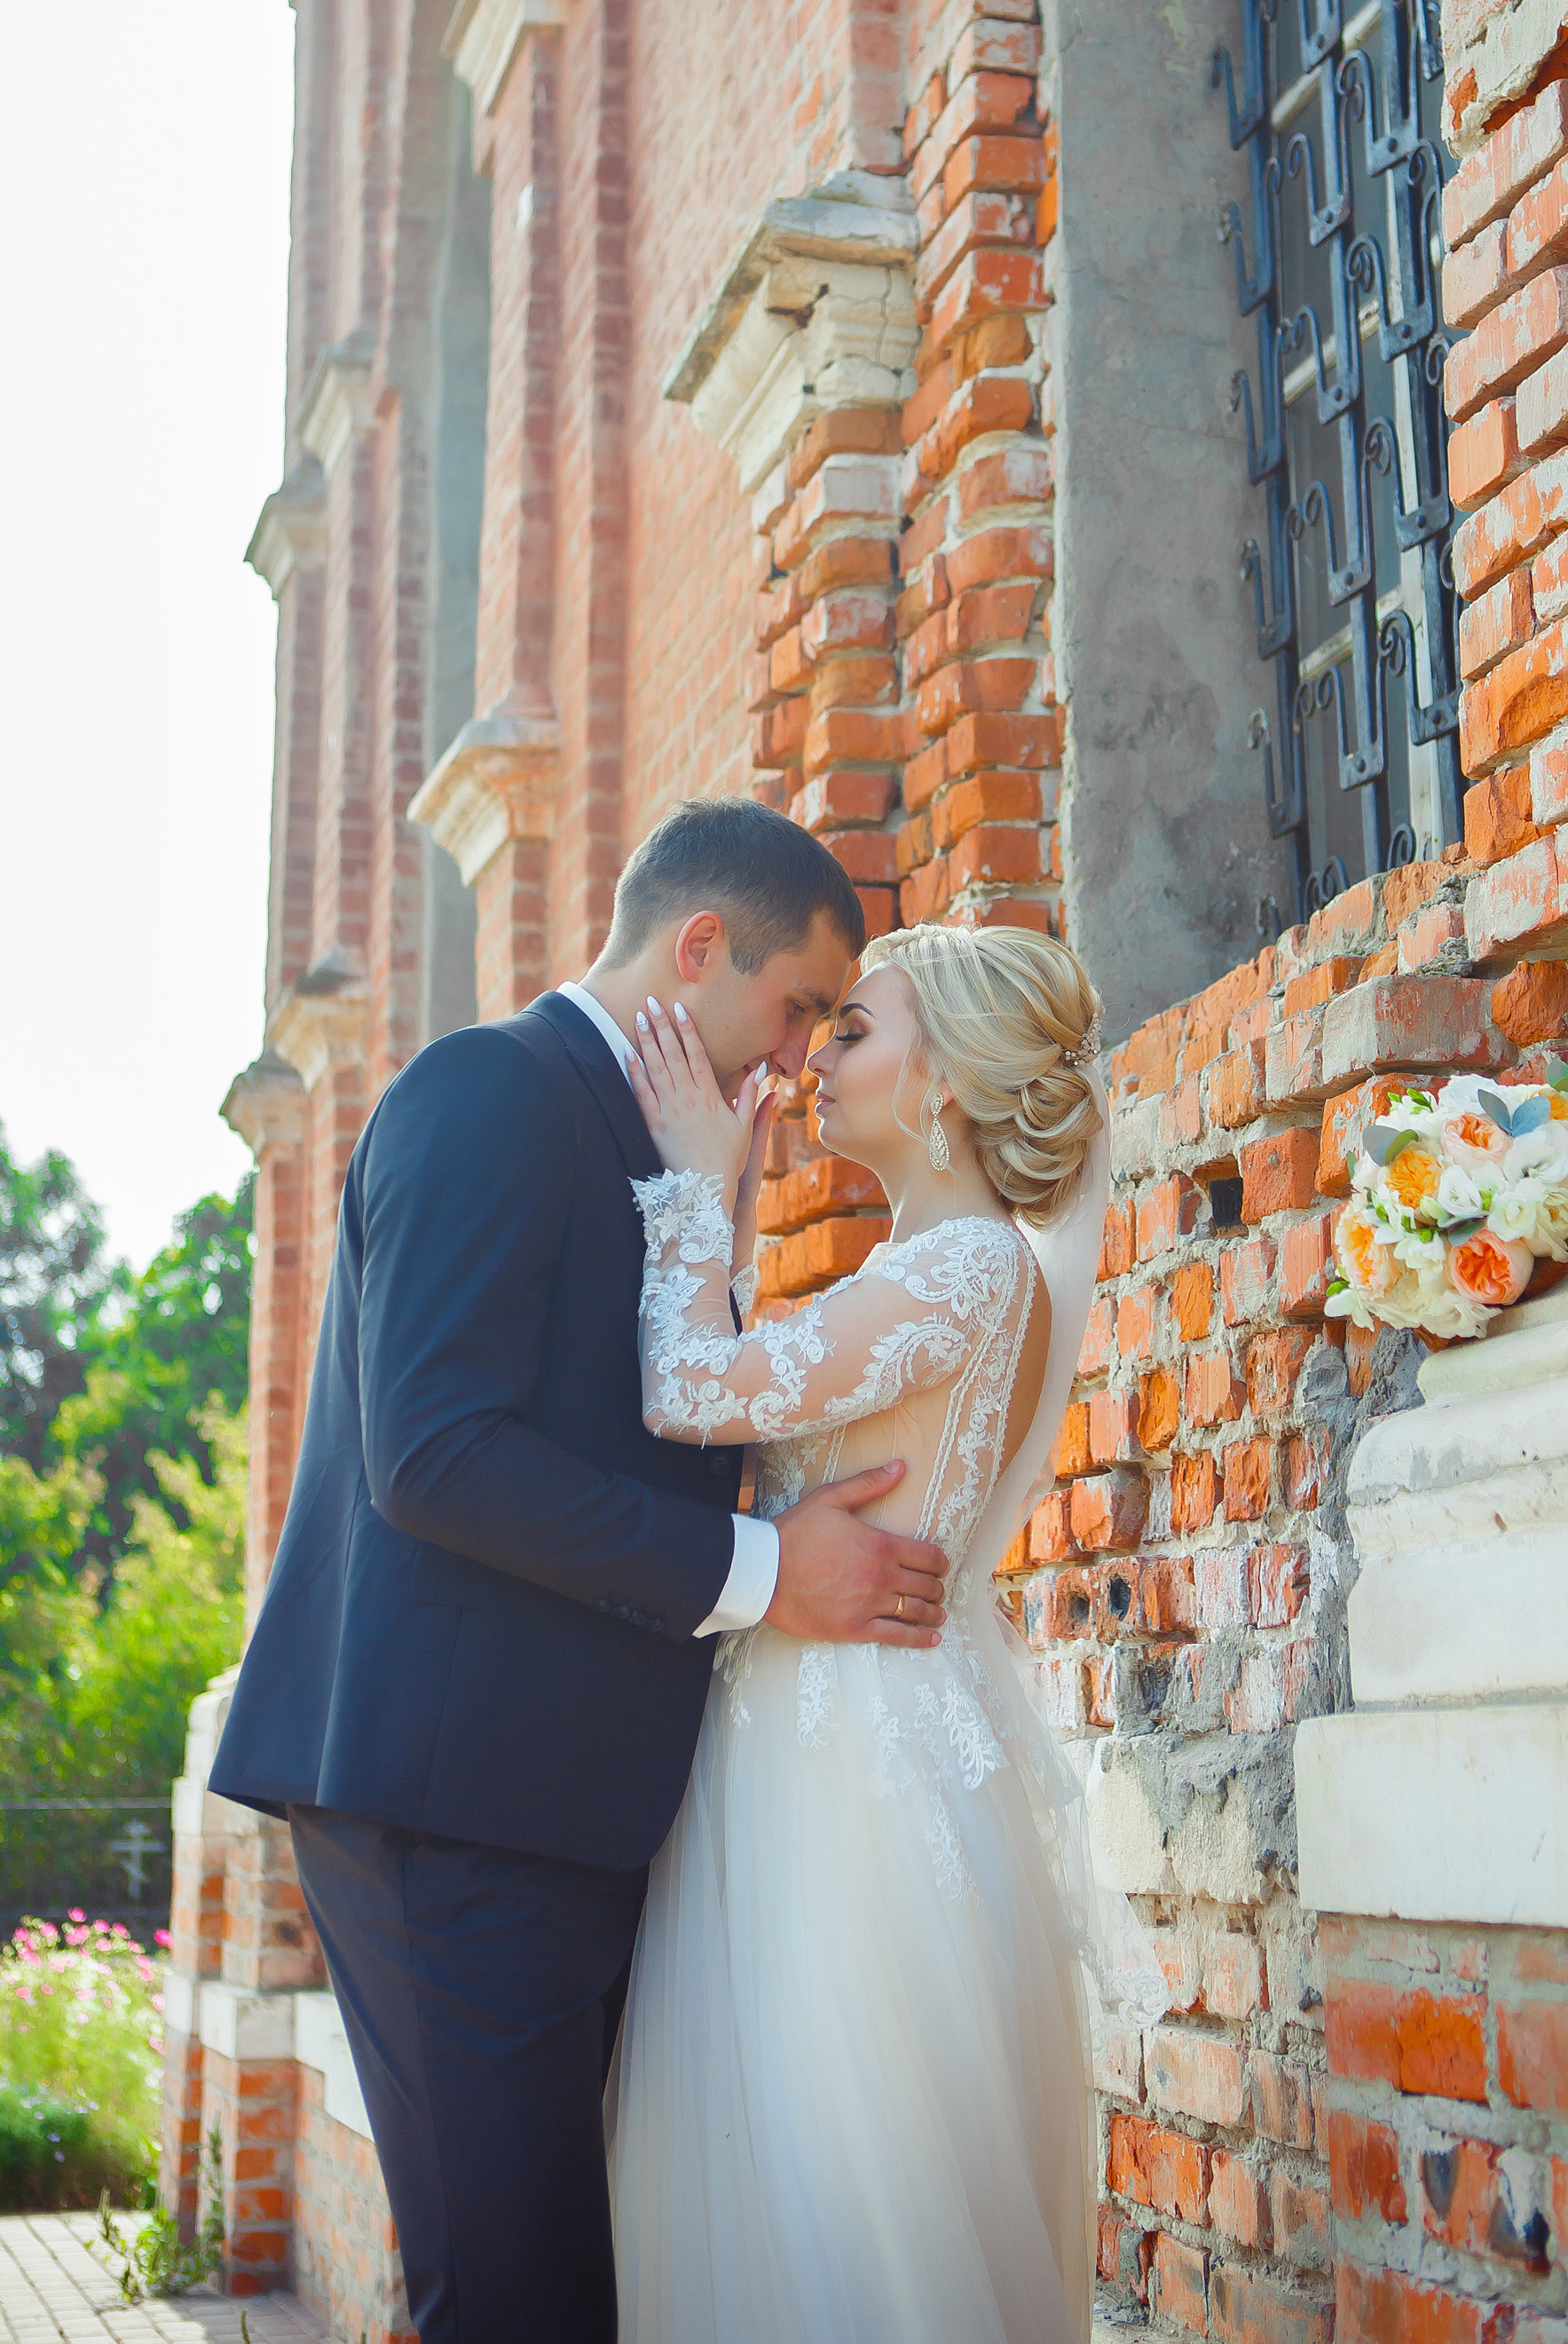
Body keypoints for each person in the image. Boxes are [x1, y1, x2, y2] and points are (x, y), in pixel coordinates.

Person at [208, 800, 952, 2344]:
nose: (800, 1050)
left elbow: (643, 1413)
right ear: (698, 949)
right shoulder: (487, 1091)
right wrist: (763, 1573)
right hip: (446, 1809)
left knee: (544, 2285)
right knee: (519, 2300)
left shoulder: (660, 1145)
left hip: (556, 1808)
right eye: (796, 1002)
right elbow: (438, 1454)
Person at [608, 918, 1131, 2344]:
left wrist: (692, 1190)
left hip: (847, 1776)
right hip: (835, 1732)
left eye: (855, 1030)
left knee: (845, 2190)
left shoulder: (963, 1268)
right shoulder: (931, 1266)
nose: (818, 1058)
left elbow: (688, 1391)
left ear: (947, 1077)